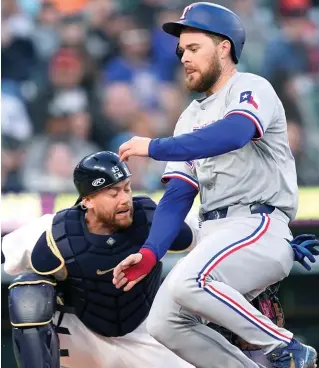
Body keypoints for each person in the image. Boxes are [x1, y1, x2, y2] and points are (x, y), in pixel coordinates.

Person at [112, 3, 319, 368]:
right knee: (164, 323)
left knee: (189, 280)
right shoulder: (189, 117)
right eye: (181, 52)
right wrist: (149, 254)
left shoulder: (251, 87)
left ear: (224, 46)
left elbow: (235, 132)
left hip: (257, 224)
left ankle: (286, 346)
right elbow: (178, 195)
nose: (184, 58)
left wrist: (154, 147)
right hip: (215, 233)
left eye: (194, 49)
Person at [2, 151, 197, 368]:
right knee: (28, 290)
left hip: (143, 332)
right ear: (87, 200)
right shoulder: (57, 231)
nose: (124, 199)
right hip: (82, 335)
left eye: (127, 188)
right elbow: (5, 251)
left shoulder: (153, 217)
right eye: (113, 193)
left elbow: (213, 237)